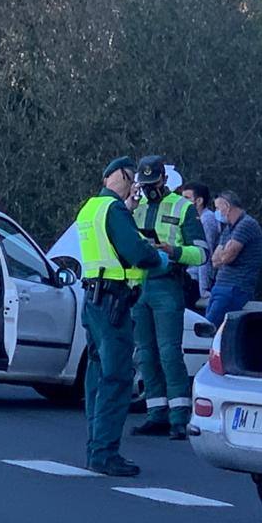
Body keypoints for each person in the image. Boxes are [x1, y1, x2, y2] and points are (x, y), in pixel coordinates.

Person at [75, 156, 169, 477]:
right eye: (130, 178)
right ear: (116, 176)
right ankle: (104, 453)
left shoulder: (90, 208)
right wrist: (159, 258)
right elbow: (137, 253)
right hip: (114, 301)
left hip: (94, 299)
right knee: (117, 378)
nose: (133, 185)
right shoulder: (114, 211)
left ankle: (94, 445)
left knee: (96, 376)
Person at [129, 157, 208, 441]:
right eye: (144, 184)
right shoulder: (135, 208)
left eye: (153, 183)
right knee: (145, 354)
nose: (149, 189)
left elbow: (201, 253)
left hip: (167, 284)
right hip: (139, 285)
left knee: (169, 352)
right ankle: (156, 413)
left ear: (163, 179)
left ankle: (178, 417)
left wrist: (172, 251)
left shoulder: (183, 207)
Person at [206, 190, 262, 328]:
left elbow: (226, 257)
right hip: (220, 286)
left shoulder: (246, 224)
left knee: (209, 328)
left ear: (227, 206)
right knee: (206, 326)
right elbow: (214, 260)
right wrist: (224, 253)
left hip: (235, 288)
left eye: (218, 208)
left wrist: (224, 254)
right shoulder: (229, 229)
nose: (217, 212)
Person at [181, 182, 220, 302]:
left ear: (199, 201)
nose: (182, 202)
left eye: (186, 198)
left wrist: (203, 289)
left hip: (195, 281)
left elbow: (206, 255)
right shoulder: (191, 219)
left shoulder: (207, 219)